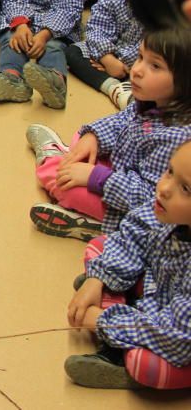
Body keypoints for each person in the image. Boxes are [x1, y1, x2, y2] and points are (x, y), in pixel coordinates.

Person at [25, 29, 191, 241]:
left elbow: (152, 199)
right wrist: (93, 138)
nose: (138, 70)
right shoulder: (155, 100)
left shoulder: (178, 138)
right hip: (122, 168)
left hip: (130, 205)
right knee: (82, 138)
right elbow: (120, 121)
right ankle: (63, 154)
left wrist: (96, 177)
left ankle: (103, 227)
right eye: (140, 58)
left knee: (59, 180)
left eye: (155, 66)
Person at [64, 139, 191, 390]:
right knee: (101, 246)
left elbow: (176, 337)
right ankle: (113, 294)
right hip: (160, 294)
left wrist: (102, 320)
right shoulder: (168, 210)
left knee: (148, 365)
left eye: (186, 189)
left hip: (179, 339)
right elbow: (133, 232)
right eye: (169, 172)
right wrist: (97, 279)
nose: (164, 188)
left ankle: (122, 360)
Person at [66, 0, 143, 110]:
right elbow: (96, 30)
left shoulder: (164, 8)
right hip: (105, 55)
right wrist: (107, 58)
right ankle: (114, 88)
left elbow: (153, 43)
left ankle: (130, 89)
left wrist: (122, 63)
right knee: (73, 52)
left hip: (136, 63)